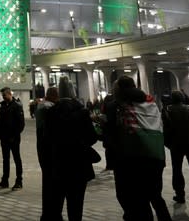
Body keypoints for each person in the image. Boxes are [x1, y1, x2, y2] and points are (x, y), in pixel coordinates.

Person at [109, 75, 171, 221]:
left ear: (118, 89)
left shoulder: (119, 106)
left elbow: (112, 132)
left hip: (133, 158)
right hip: (156, 156)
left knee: (135, 199)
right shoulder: (151, 103)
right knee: (155, 196)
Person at [43, 77, 98, 221]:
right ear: (73, 92)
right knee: (76, 206)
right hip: (79, 165)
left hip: (58, 165)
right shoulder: (82, 112)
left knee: (57, 205)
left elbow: (47, 139)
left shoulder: (51, 113)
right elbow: (92, 138)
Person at [36, 87, 60, 220]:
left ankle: (47, 213)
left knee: (48, 182)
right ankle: (49, 214)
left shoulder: (42, 106)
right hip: (48, 150)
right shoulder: (48, 107)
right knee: (50, 183)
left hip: (43, 148)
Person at [0, 86, 24, 190]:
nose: (3, 97)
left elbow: (21, 124)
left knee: (17, 159)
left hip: (14, 139)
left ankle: (19, 181)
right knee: (5, 160)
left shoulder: (17, 106)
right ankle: (4, 181)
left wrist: (13, 136)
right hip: (4, 138)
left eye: (4, 95)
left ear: (10, 94)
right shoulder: (3, 106)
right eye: (2, 95)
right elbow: (0, 121)